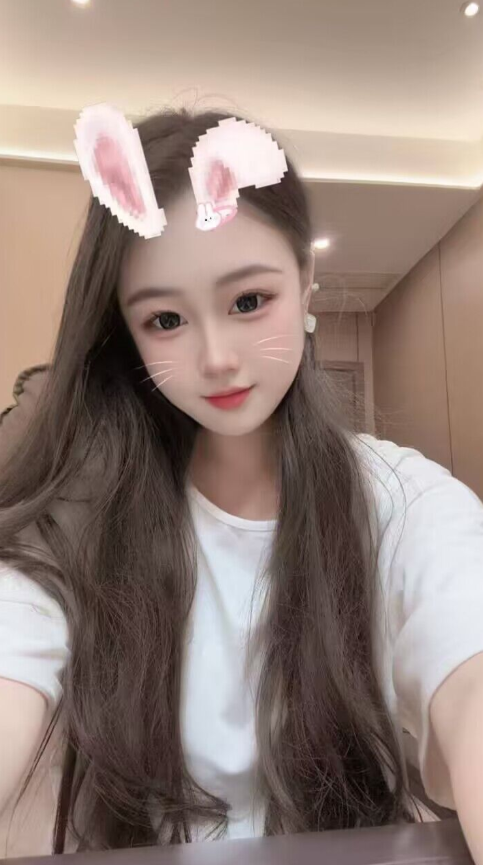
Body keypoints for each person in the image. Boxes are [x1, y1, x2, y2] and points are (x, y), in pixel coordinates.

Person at [0, 104, 483, 857]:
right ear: (125, 331)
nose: (217, 357)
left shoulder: (399, 500)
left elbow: (470, 668)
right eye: (165, 320)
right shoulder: (77, 520)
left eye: (248, 302)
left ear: (306, 280)